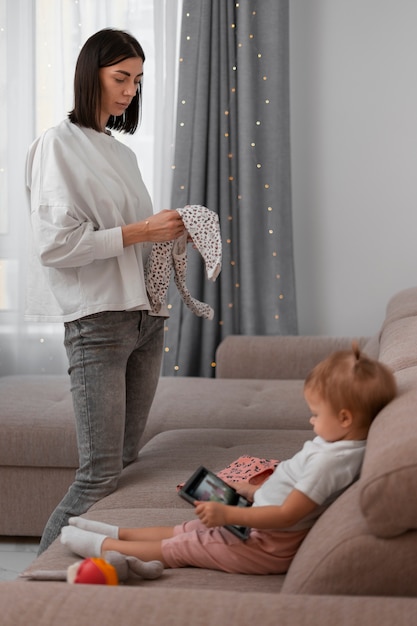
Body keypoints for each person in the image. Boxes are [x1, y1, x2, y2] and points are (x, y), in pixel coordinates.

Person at [25, 28, 186, 554]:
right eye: (121, 77)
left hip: (145, 319)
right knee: (97, 474)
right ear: (89, 74)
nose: (129, 92)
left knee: (124, 463)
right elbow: (56, 247)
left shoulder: (121, 153)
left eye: (137, 82)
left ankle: (88, 578)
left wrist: (167, 229)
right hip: (99, 322)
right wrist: (143, 231)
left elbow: (127, 235)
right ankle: (33, 591)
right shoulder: (57, 144)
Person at [60, 343, 397, 575]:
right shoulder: (335, 444)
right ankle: (115, 530)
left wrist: (226, 512)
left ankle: (102, 546)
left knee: (183, 547)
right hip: (255, 523)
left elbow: (285, 514)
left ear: (345, 418)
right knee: (184, 529)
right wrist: (248, 492)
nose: (311, 421)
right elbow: (289, 486)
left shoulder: (332, 462)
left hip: (266, 544)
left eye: (315, 414)